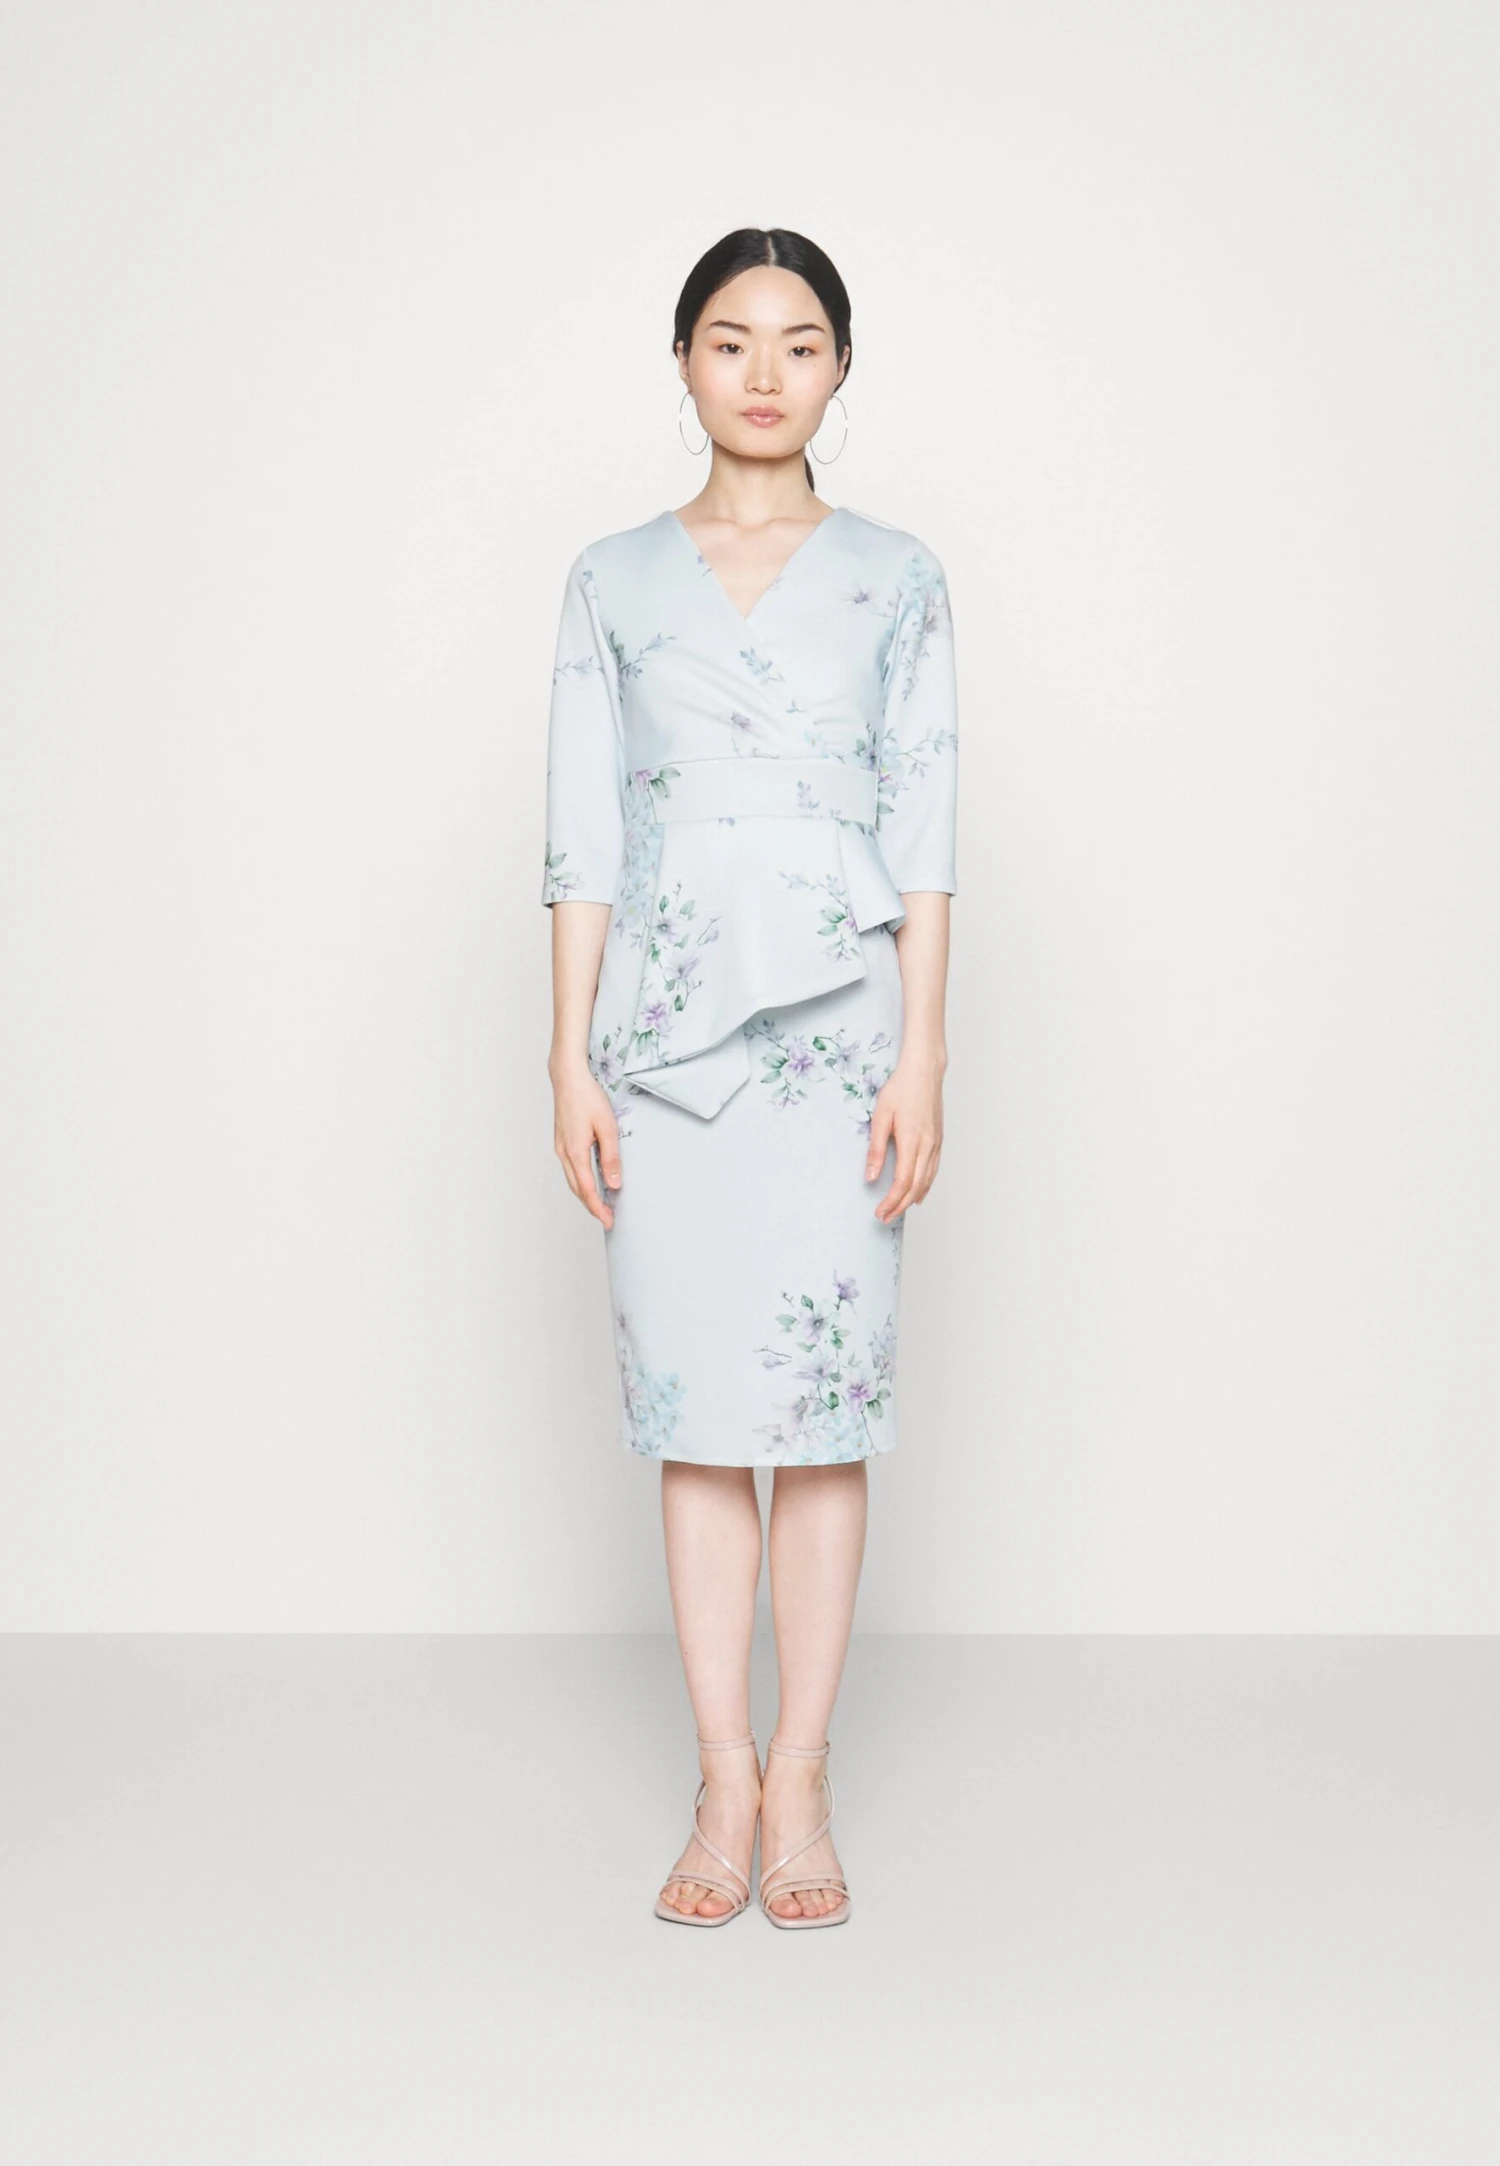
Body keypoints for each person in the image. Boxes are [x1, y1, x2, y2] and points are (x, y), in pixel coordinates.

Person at [541, 228, 958, 1928]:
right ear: (684, 361)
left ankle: (803, 1776)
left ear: (842, 366)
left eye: (799, 342)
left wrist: (925, 1047)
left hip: (844, 1025)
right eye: (732, 339)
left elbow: (927, 825)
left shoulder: (901, 576)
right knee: (699, 1415)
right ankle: (723, 1780)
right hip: (665, 1033)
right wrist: (565, 1052)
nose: (766, 372)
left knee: (825, 1411)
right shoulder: (611, 578)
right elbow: (580, 833)